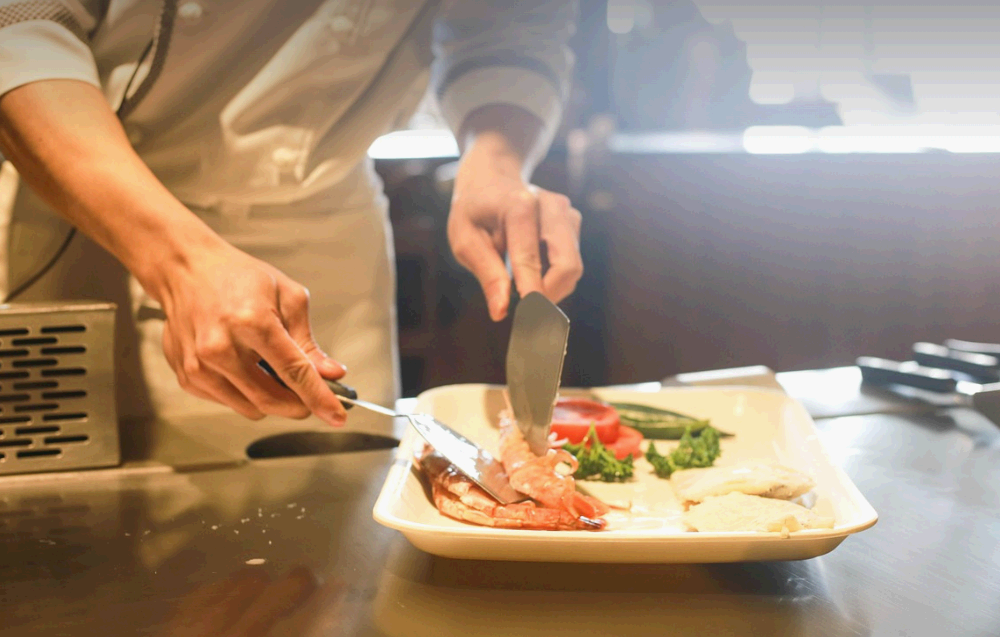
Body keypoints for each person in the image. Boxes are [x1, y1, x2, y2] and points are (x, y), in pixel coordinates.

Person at [0, 0, 583, 432]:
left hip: (325, 234)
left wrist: (498, 159)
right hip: (88, 194)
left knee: (341, 536)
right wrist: (177, 261)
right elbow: (20, 24)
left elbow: (510, 32)